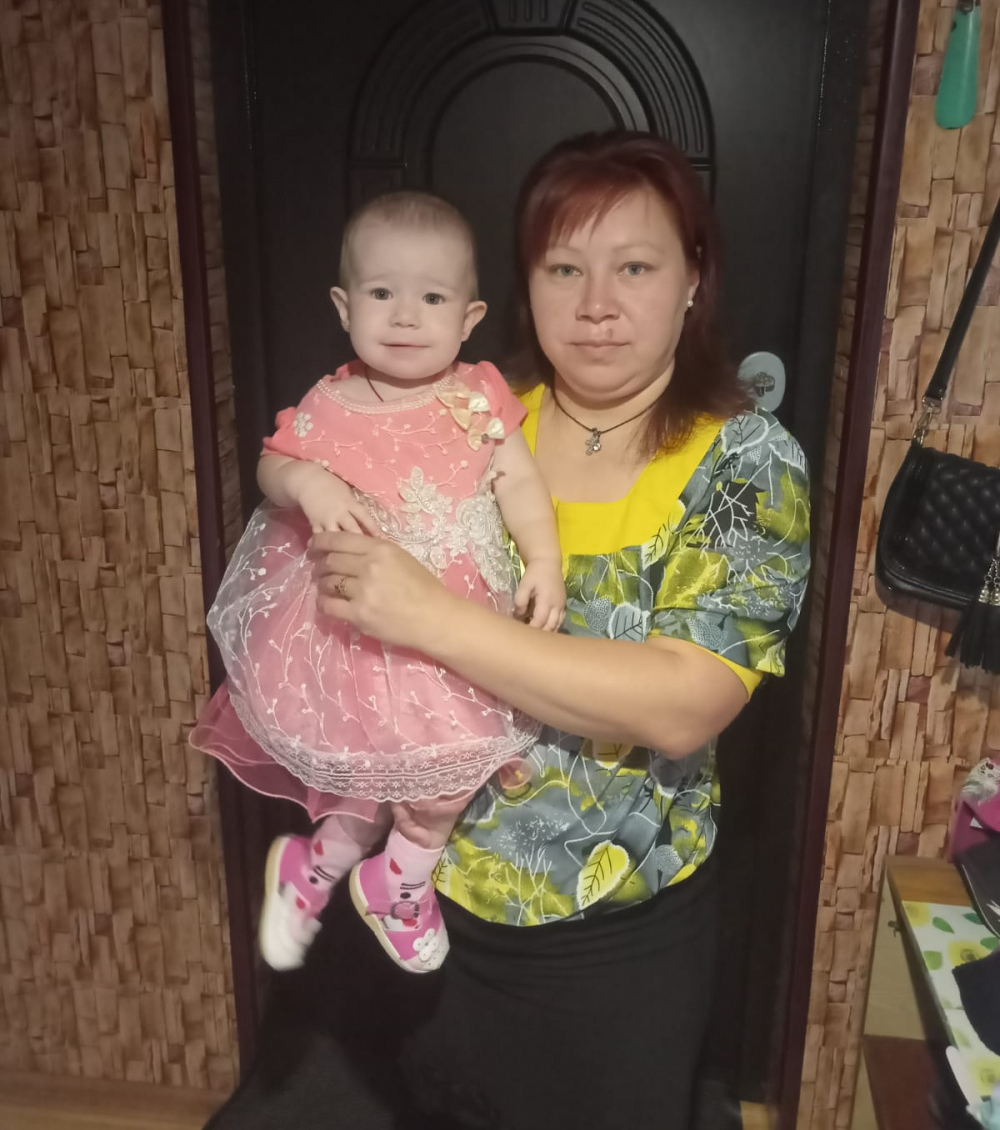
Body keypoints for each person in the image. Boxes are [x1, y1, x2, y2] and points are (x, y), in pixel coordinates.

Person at [309, 131, 812, 1128]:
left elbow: (683, 701)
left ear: (693, 278)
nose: (596, 304)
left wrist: (432, 617)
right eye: (564, 268)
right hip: (427, 905)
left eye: (635, 267)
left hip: (613, 945)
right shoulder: (469, 419)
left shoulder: (746, 460)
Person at [190, 191, 564, 976]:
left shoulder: (479, 395)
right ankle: (320, 866)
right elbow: (270, 464)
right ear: (344, 305)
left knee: (442, 783)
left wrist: (543, 559)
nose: (404, 316)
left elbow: (520, 483)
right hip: (357, 633)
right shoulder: (331, 401)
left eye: (432, 298)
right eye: (382, 292)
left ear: (468, 317)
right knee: (366, 779)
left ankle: (393, 880)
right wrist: (307, 481)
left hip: (454, 627)